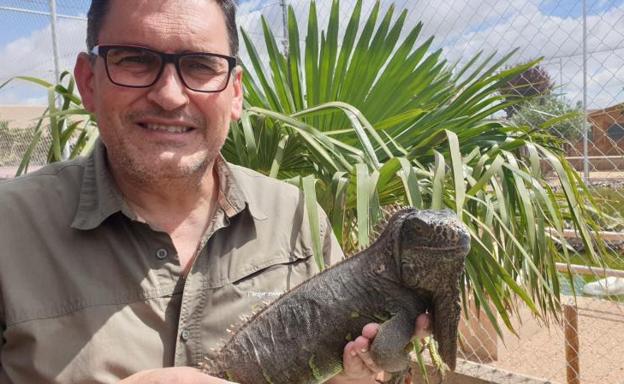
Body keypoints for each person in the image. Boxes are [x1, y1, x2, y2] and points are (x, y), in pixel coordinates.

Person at [0, 0, 429, 383]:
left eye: (201, 65)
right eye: (135, 60)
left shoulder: (296, 216)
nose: (169, 95)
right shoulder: (10, 229)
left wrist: (353, 376)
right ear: (89, 82)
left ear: (235, 92)